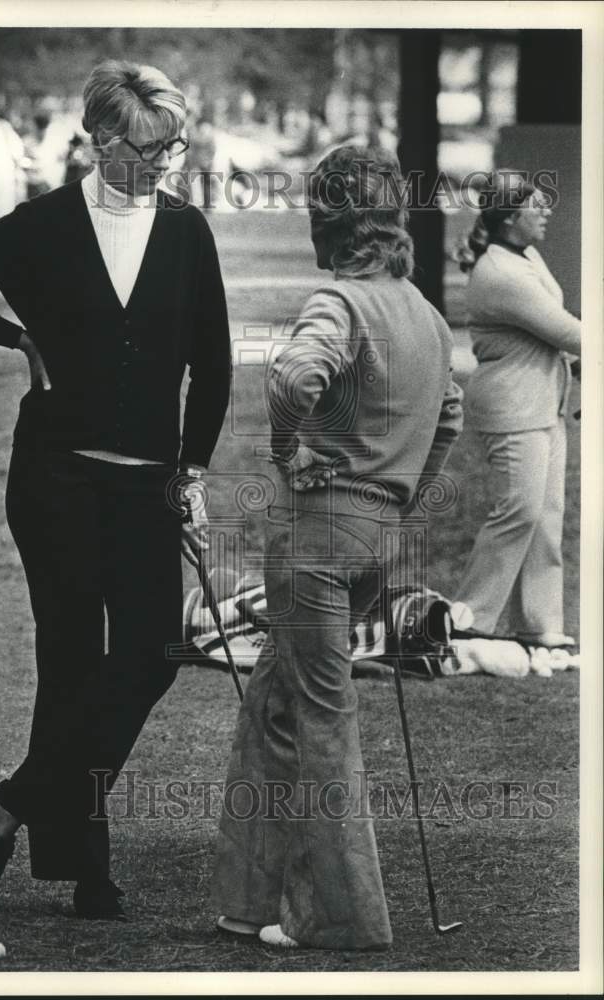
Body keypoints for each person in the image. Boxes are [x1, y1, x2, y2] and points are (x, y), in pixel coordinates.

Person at [0, 60, 230, 921]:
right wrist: (17, 339)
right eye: (149, 148)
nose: (164, 163)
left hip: (148, 486)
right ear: (101, 141)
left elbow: (214, 362)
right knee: (74, 665)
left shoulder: (187, 231)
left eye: (173, 147)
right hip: (55, 480)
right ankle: (85, 868)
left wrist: (193, 471)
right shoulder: (42, 225)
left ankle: (5, 805)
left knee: (154, 654)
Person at [210, 145, 463, 949]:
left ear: (330, 226)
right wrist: (401, 501)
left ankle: (341, 919)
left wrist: (288, 450)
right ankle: (249, 902)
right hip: (374, 541)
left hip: (317, 540)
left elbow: (293, 380)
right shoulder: (425, 314)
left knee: (321, 715)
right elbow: (450, 416)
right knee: (275, 703)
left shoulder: (341, 302)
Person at [454, 172, 581, 648]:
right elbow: (564, 330)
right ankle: (469, 621)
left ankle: (539, 625)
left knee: (546, 514)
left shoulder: (524, 255)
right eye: (536, 205)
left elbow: (549, 330)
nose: (546, 211)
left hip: (543, 400)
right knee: (519, 510)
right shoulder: (500, 272)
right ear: (509, 217)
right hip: (512, 405)